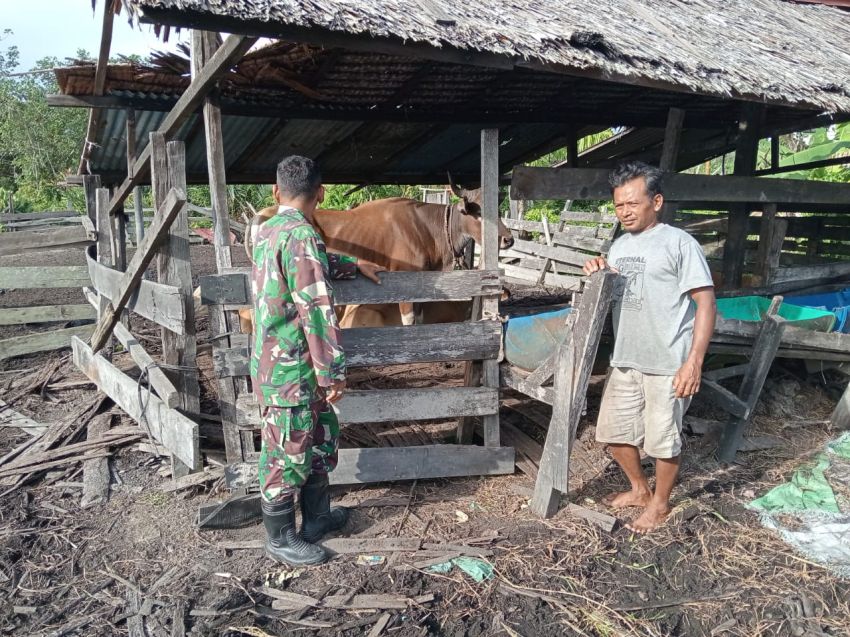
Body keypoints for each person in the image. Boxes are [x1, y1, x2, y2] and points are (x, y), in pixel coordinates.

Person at [251, 156, 384, 565]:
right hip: (293, 370)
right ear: (321, 193)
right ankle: (279, 539)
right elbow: (316, 308)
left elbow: (308, 269)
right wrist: (333, 372)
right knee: (286, 454)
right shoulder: (302, 236)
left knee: (318, 441)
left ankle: (316, 519)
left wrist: (352, 264)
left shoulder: (269, 230)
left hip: (285, 366)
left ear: (276, 192)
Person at [583, 161, 716, 533]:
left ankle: (660, 505)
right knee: (612, 434)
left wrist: (694, 361)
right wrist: (597, 270)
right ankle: (641, 490)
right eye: (619, 205)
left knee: (663, 441)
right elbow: (615, 289)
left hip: (668, 361)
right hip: (627, 359)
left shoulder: (679, 243)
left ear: (656, 202)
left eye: (633, 203)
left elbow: (706, 303)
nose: (625, 211)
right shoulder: (619, 246)